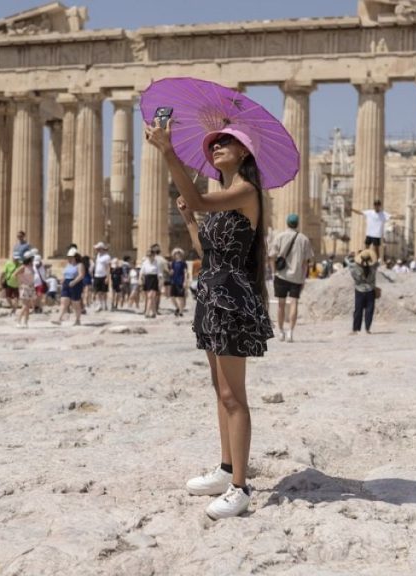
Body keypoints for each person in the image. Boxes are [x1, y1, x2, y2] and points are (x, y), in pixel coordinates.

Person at [146, 119, 274, 520]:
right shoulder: (224, 195)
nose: (216, 147)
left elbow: (203, 203)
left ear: (244, 153)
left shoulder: (246, 191)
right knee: (220, 391)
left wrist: (168, 151)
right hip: (212, 294)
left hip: (233, 298)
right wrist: (187, 219)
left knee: (235, 396)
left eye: (226, 142)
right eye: (213, 144)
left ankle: (240, 487)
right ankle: (225, 469)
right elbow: (208, 243)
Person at [268, 213, 314, 342]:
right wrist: (304, 277)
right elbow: (306, 262)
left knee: (281, 305)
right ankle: (290, 332)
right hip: (297, 277)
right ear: (297, 224)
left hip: (281, 276)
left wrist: (273, 273)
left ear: (287, 223)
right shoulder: (304, 239)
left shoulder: (279, 237)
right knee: (294, 303)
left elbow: (271, 257)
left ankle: (281, 331)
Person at [350, 248, 378, 334]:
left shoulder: (355, 268)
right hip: (370, 290)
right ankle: (367, 328)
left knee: (358, 310)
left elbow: (354, 278)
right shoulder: (373, 268)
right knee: (369, 310)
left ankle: (355, 329)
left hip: (359, 290)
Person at [56, 248, 85, 326]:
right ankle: (58, 319)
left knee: (75, 303)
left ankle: (77, 320)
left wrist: (74, 281)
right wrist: (63, 280)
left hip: (75, 284)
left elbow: (81, 275)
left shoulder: (79, 265)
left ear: (75, 257)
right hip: (66, 283)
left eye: (70, 257)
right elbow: (66, 274)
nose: (69, 258)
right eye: (68, 257)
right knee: (63, 301)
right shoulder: (68, 265)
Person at [13, 252, 36, 328]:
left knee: (28, 306)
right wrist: (21, 282)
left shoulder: (31, 267)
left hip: (31, 287)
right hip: (25, 287)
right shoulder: (23, 267)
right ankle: (18, 320)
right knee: (25, 305)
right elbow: (14, 274)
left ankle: (26, 322)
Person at [138, 248, 162, 319]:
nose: (150, 256)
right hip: (147, 279)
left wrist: (160, 282)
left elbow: (159, 273)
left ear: (154, 255)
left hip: (154, 279)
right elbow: (141, 272)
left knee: (151, 296)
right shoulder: (145, 262)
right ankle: (154, 312)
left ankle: (147, 312)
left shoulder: (156, 263)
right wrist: (140, 280)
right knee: (150, 297)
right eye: (149, 255)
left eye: (151, 255)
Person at [169, 248, 190, 317]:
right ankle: (177, 308)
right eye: (176, 253)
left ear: (181, 254)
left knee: (180, 297)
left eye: (179, 253)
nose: (177, 255)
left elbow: (185, 273)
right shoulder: (173, 263)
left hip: (180, 281)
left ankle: (181, 311)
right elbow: (172, 271)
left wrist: (185, 281)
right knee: (172, 296)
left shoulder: (183, 263)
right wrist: (170, 273)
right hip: (173, 281)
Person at [91, 242, 111, 312]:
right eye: (96, 249)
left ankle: (105, 304)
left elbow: (108, 267)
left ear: (102, 249)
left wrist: (107, 277)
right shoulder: (97, 256)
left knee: (104, 291)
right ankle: (100, 304)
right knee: (98, 291)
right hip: (97, 275)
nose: (97, 250)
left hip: (103, 275)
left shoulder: (107, 256)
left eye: (98, 249)